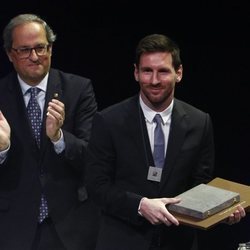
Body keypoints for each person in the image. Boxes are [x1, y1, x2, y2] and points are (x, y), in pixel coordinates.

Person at [85, 33, 246, 250]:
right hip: (122, 241)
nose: (154, 80)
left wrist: (221, 212)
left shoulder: (200, 122)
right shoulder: (108, 121)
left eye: (162, 71)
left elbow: (200, 186)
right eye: (147, 71)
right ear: (135, 72)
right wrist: (140, 205)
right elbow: (96, 186)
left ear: (178, 73)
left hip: (178, 242)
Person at [0, 14, 99, 250]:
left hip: (71, 226)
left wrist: (59, 138)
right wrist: (2, 150)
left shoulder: (78, 89)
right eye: (24, 50)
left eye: (40, 48)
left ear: (51, 49)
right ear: (10, 54)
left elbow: (94, 159)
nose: (34, 57)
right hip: (13, 227)